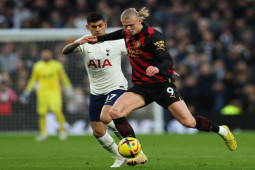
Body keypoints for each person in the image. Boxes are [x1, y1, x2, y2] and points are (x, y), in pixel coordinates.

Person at [83, 7, 237, 166]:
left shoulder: (153, 36)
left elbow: (166, 59)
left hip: (161, 86)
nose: (128, 29)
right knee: (115, 112)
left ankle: (222, 131)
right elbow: (115, 34)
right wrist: (98, 39)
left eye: (131, 25)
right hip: (142, 88)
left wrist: (159, 68)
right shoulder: (126, 33)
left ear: (139, 21)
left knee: (188, 122)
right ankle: (138, 154)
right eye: (125, 26)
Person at [62, 12, 128, 168]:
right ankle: (120, 156)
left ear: (105, 25)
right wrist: (78, 43)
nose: (97, 29)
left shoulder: (117, 41)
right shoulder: (84, 42)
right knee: (97, 131)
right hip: (97, 92)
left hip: (116, 87)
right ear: (88, 27)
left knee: (107, 116)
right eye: (94, 27)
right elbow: (65, 51)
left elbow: (137, 51)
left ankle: (133, 146)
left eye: (100, 26)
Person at [21, 49, 73, 141]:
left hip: (55, 92)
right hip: (42, 93)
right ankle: (43, 133)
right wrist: (27, 92)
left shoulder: (57, 65)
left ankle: (62, 131)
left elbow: (64, 78)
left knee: (57, 111)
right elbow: (33, 80)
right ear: (41, 55)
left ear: (51, 55)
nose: (46, 55)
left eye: (47, 54)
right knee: (42, 113)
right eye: (44, 54)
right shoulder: (37, 66)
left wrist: (68, 88)